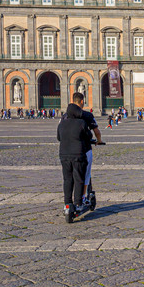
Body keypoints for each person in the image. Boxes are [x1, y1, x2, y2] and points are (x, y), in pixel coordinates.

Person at [56, 93, 94, 223]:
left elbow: (59, 137)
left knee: (67, 179)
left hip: (64, 155)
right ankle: (78, 203)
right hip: (78, 154)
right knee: (79, 178)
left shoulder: (62, 123)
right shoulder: (81, 122)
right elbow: (88, 136)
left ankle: (67, 204)